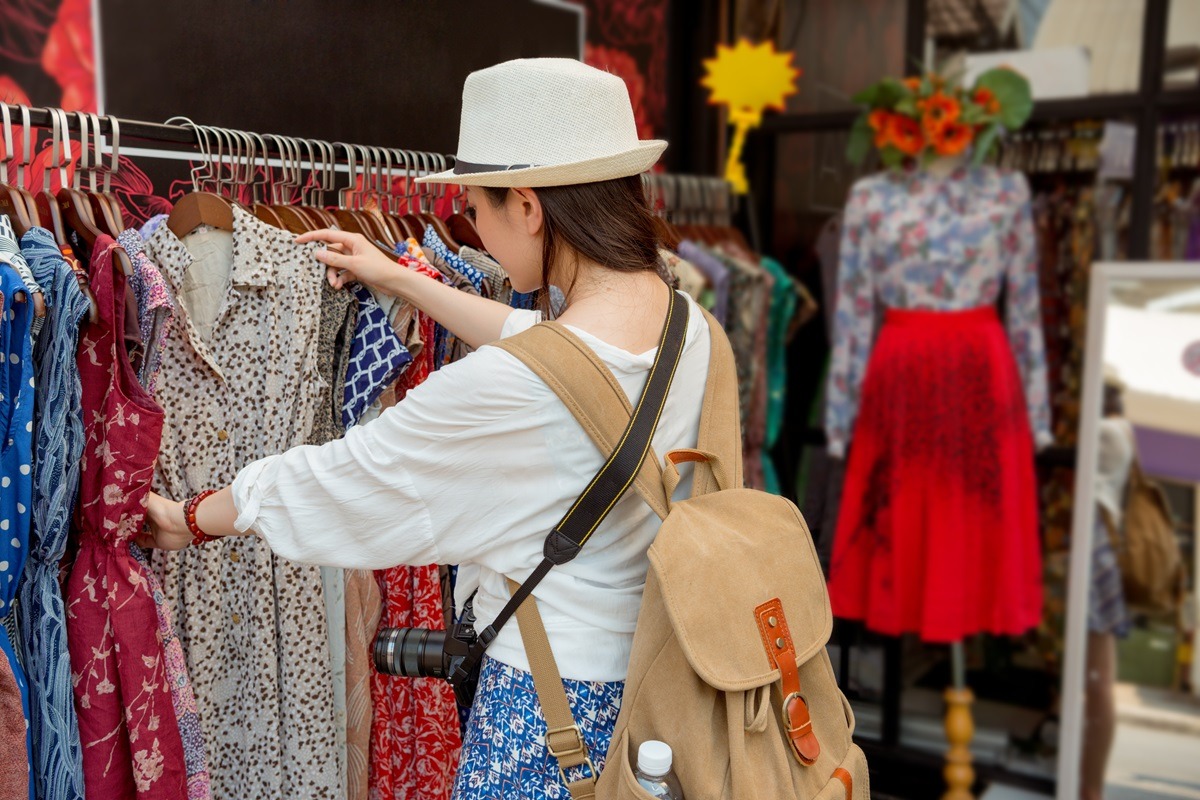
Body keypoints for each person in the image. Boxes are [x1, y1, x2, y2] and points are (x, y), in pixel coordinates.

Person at [138, 58, 716, 798]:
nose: (471, 224)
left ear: (529, 208)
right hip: (658, 686)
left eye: (476, 206)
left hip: (547, 715)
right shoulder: (682, 324)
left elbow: (356, 474)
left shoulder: (515, 384)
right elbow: (541, 340)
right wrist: (404, 279)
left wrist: (197, 515)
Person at [1081, 367, 1135, 800]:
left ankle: (1090, 786)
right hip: (1097, 548)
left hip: (1092, 547)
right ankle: (1087, 784)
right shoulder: (1120, 430)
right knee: (1097, 680)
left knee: (1098, 681)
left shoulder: (1106, 431)